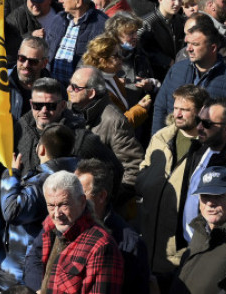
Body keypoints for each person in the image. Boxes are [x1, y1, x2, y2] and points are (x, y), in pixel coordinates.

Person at [137, 84, 209, 282]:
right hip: (149, 238)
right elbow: (144, 167)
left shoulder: (208, 148)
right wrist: (144, 182)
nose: (177, 114)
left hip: (180, 249)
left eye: (185, 110)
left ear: (201, 111)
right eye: (176, 108)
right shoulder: (161, 136)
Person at [0, 123, 79, 290]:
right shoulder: (75, 176)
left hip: (21, 273)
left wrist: (10, 175)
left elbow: (12, 211)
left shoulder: (44, 182)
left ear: (41, 149)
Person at [36, 171, 124, 294]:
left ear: (82, 201)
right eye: (51, 205)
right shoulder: (50, 227)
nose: (56, 214)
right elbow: (33, 260)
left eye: (64, 205)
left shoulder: (101, 246)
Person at [75, 159, 151, 294]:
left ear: (101, 196)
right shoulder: (64, 224)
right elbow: (36, 258)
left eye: (81, 194)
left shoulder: (130, 244)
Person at [66, 66, 144, 196]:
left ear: (91, 93)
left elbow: (134, 167)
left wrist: (108, 200)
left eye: (75, 87)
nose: (69, 89)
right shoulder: (68, 109)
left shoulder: (114, 121)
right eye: (70, 84)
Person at [153, 14, 226, 132]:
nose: (188, 49)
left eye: (195, 44)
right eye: (188, 43)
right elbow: (160, 108)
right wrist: (158, 144)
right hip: (174, 143)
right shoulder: (177, 70)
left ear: (213, 48)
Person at [171, 166, 226, 294]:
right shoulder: (201, 229)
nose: (210, 203)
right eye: (205, 196)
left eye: (218, 195)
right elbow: (189, 273)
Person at [44, 0, 107, 87]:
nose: (60, 0)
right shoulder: (58, 19)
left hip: (80, 91)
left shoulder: (102, 25)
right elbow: (47, 49)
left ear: (78, 2)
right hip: (53, 88)